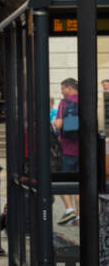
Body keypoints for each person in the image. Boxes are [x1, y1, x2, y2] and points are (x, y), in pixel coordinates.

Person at [55, 77, 79, 224]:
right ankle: (80, 217)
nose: (62, 91)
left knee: (62, 181)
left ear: (69, 88)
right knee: (81, 183)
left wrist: (58, 123)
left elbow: (58, 125)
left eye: (63, 89)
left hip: (67, 149)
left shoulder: (64, 103)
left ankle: (70, 210)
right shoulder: (86, 99)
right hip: (83, 150)